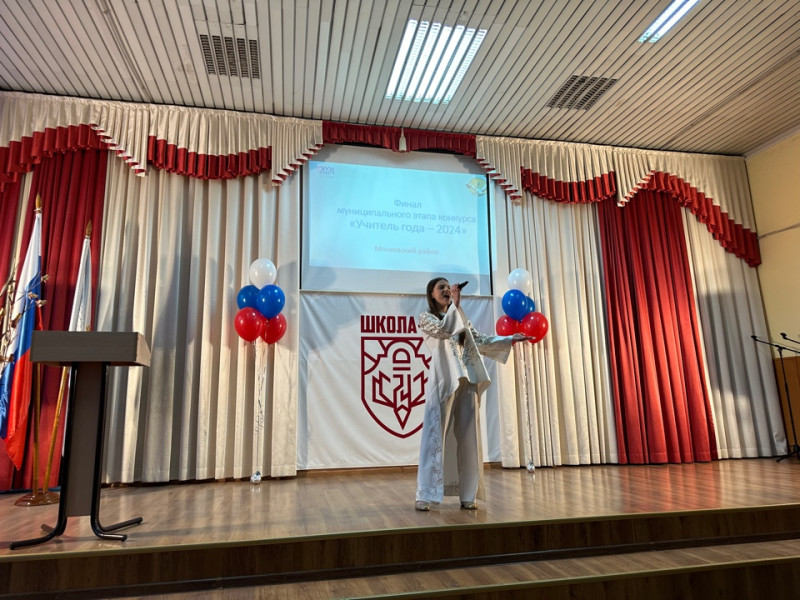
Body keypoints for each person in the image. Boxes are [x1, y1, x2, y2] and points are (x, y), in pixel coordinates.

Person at [415, 277, 529, 511]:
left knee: (469, 436)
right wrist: (456, 305)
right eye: (441, 287)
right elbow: (444, 330)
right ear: (432, 294)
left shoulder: (461, 317)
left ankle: (468, 494)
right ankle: (425, 494)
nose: (446, 290)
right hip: (445, 381)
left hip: (468, 379)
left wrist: (509, 339)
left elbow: (479, 340)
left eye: (448, 286)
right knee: (435, 435)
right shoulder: (426, 318)